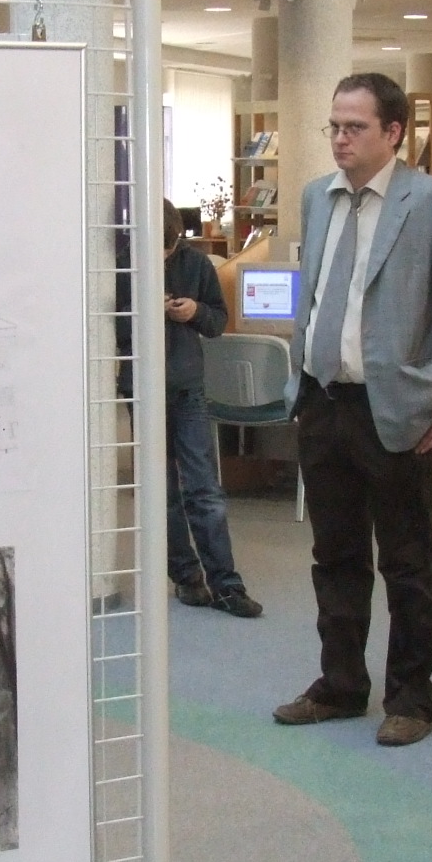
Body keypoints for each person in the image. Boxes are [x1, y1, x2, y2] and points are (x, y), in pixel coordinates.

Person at [271, 72, 432, 746]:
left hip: (396, 409)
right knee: (334, 555)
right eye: (335, 126)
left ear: (393, 132)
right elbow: (315, 296)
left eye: (355, 127)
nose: (340, 139)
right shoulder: (317, 197)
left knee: (407, 559)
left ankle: (411, 698)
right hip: (324, 402)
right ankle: (340, 685)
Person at [162, 201, 261, 618]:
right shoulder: (121, 263)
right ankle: (187, 578)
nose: (164, 256)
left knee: (204, 488)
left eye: (169, 249)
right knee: (163, 492)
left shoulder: (197, 264)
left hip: (188, 388)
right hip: (142, 390)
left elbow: (218, 321)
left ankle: (226, 585)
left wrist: (195, 312)